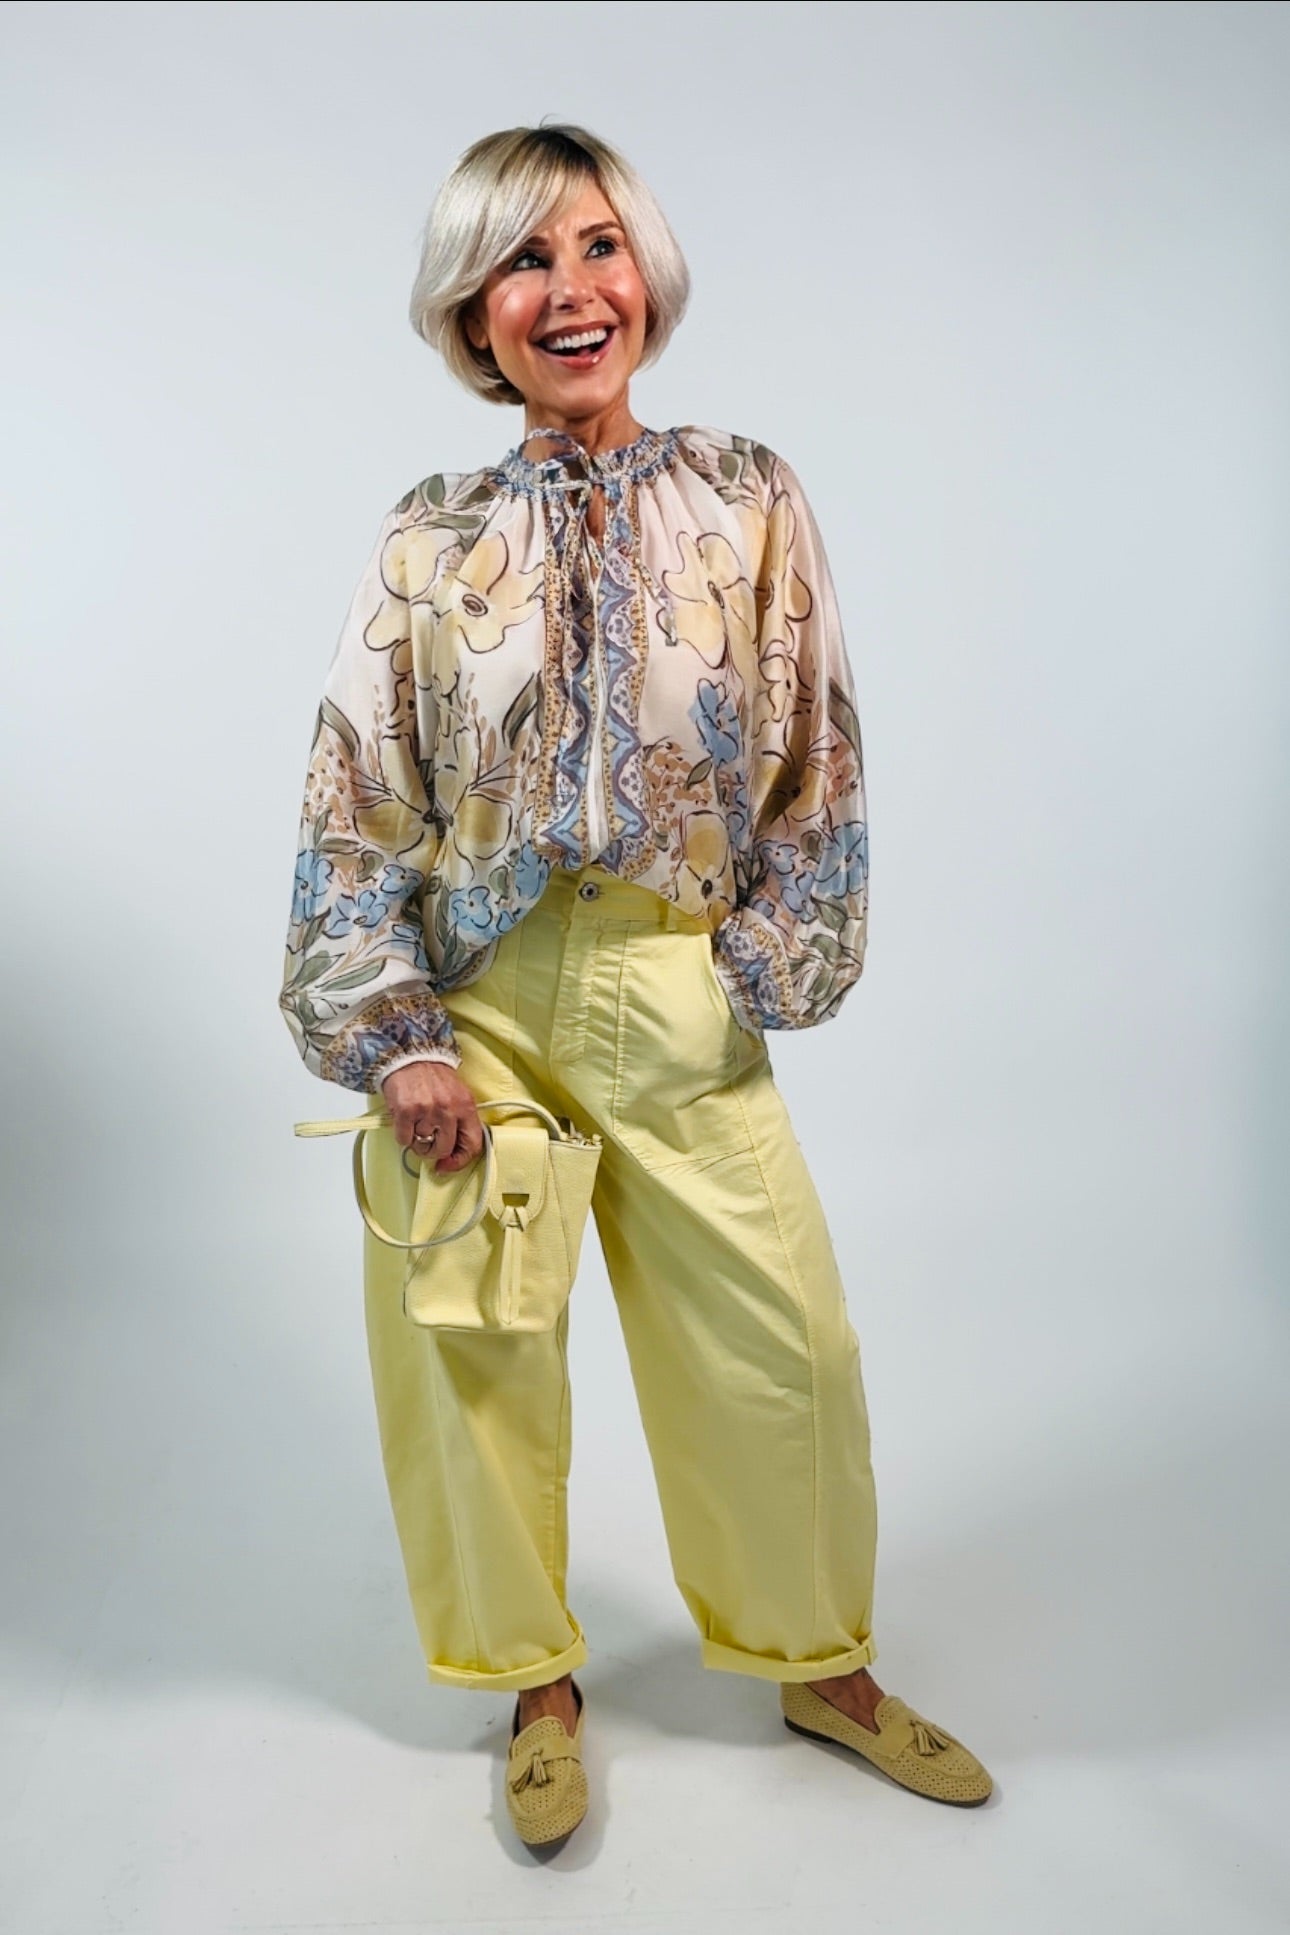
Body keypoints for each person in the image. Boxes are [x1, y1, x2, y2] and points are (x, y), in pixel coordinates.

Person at [278, 121, 992, 1846]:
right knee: (472, 1347)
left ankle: (820, 1665)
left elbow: (814, 747)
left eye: (595, 245)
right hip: (477, 998)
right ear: (473, 312)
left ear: (645, 272)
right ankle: (535, 1687)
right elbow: (356, 791)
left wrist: (756, 970)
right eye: (521, 261)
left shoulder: (749, 494)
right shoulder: (431, 534)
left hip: (679, 983)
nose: (568, 289)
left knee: (782, 1346)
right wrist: (394, 1039)